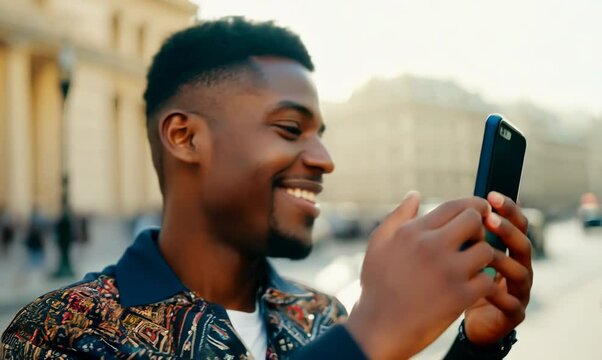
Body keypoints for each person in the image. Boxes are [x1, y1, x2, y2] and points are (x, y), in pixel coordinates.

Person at [0, 17, 532, 359]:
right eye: (288, 128)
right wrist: (370, 335)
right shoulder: (57, 334)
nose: (323, 159)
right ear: (185, 138)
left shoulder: (320, 315)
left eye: (320, 135)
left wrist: (476, 346)